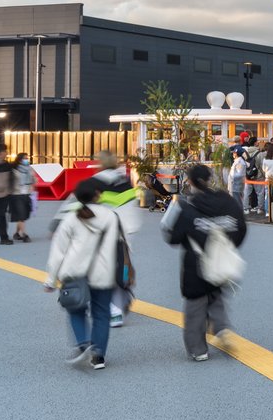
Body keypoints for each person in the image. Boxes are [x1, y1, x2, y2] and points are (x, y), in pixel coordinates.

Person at [161, 162, 247, 361]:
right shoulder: (227, 201)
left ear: (189, 182)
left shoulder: (186, 206)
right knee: (216, 295)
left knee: (196, 306)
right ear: (210, 179)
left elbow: (173, 237)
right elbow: (241, 227)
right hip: (221, 259)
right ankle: (222, 328)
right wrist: (229, 246)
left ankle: (198, 350)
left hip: (196, 262)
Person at [44, 177, 126, 369]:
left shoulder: (71, 218)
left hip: (74, 273)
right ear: (97, 195)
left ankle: (83, 345)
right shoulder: (111, 216)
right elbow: (120, 245)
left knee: (75, 310)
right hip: (103, 273)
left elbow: (58, 252)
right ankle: (98, 356)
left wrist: (50, 280)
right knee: (101, 314)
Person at [93, 150, 141, 328]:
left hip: (108, 231)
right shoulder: (124, 179)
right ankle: (124, 295)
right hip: (128, 230)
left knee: (106, 268)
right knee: (124, 264)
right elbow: (131, 205)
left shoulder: (98, 180)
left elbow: (85, 203)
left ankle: (115, 309)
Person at [10, 151, 35, 243]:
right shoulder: (14, 169)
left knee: (23, 215)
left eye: (27, 158)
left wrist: (32, 177)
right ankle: (24, 234)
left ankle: (16, 233)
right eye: (24, 158)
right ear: (19, 159)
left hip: (27, 194)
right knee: (21, 215)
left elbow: (34, 180)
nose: (26, 160)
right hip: (16, 194)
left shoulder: (30, 169)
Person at [0, 143, 14, 245]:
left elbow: (11, 180)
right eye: (4, 151)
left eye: (6, 151)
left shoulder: (7, 165)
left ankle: (4, 238)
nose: (6, 153)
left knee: (2, 217)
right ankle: (4, 237)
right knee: (1, 216)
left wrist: (10, 192)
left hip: (4, 196)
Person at [227, 147, 249, 212]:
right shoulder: (237, 161)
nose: (233, 154)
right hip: (234, 185)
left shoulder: (240, 162)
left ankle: (238, 214)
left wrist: (231, 176)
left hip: (236, 185)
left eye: (234, 153)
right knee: (235, 201)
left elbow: (240, 174)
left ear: (237, 154)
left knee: (237, 201)